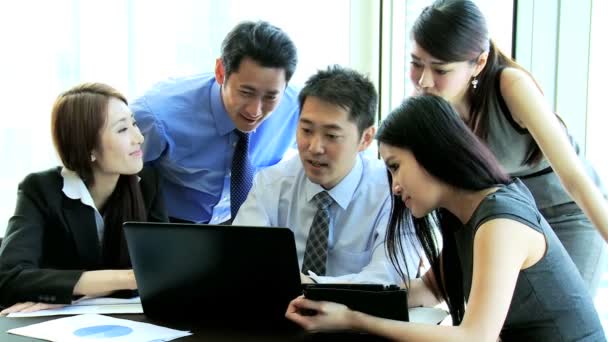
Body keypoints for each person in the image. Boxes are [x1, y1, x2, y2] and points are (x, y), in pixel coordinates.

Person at [285, 95, 605, 341]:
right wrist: (323, 294)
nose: (394, 187)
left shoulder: (500, 223)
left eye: (396, 166)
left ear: (432, 155)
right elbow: (426, 290)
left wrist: (354, 320)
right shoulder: (466, 215)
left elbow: (473, 337)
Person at [405, 0, 608, 294]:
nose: (424, 80)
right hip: (510, 219)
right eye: (415, 63)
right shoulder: (427, 109)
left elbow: (575, 179)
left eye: (440, 69)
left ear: (479, 63)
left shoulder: (510, 86)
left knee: (563, 319)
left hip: (567, 214)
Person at [234, 65, 419, 284]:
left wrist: (311, 287)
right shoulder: (272, 184)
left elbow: (391, 278)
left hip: (359, 316)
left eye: (331, 135)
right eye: (306, 130)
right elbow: (240, 258)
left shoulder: (393, 191)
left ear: (366, 139)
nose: (314, 147)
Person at [0, 83, 168, 315]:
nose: (138, 137)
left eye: (134, 123)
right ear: (87, 147)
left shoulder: (148, 183)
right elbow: (10, 279)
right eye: (122, 130)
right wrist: (130, 278)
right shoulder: (39, 189)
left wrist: (75, 294)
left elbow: (166, 273)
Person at [132, 21, 299, 224]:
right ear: (221, 72)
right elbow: (116, 178)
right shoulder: (157, 116)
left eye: (271, 97)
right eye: (246, 92)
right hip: (173, 223)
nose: (255, 111)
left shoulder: (297, 109)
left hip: (247, 221)